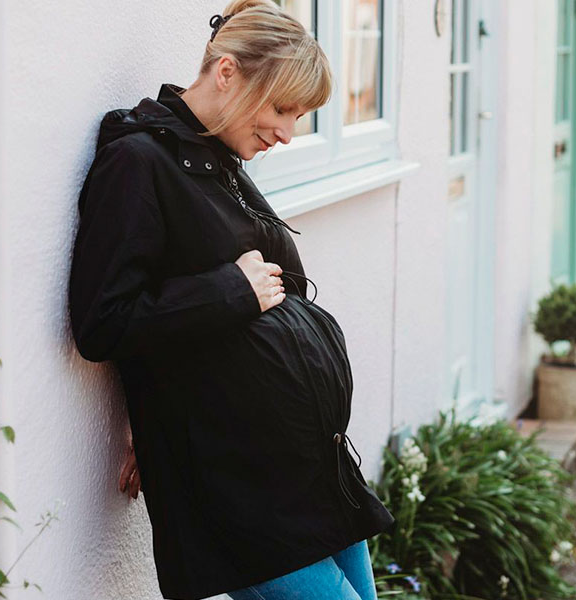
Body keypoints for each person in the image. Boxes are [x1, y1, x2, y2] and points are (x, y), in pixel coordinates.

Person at [67, 1, 396, 599]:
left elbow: (281, 289)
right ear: (226, 73)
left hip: (309, 466)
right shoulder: (137, 163)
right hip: (242, 488)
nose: (286, 133)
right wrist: (230, 290)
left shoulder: (220, 160)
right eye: (281, 108)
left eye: (297, 115)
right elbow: (103, 320)